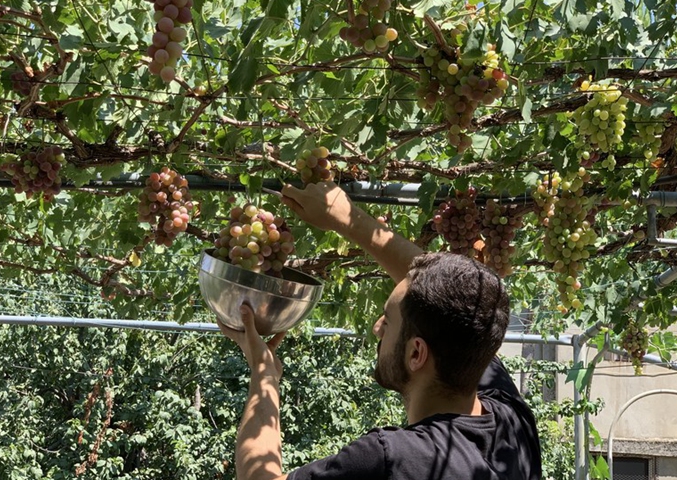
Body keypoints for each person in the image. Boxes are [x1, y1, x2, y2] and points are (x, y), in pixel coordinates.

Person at [216, 182, 542, 480]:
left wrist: (264, 374)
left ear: (416, 353)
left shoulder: (390, 458)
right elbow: (453, 298)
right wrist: (345, 218)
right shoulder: (513, 426)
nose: (378, 328)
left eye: (388, 320)